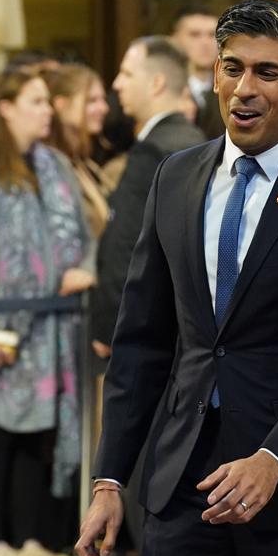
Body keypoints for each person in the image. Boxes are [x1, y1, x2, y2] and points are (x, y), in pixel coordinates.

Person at [74, 0, 278, 556]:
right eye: (232, 67)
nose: (244, 88)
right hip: (178, 481)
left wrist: (274, 460)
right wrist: (109, 480)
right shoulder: (175, 176)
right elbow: (141, 343)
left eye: (267, 72)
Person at [0, 67, 95, 556]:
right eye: (35, 101)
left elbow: (85, 232)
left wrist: (86, 269)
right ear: (4, 107)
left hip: (50, 331)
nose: (47, 110)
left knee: (40, 438)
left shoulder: (53, 165)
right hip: (0, 332)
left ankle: (30, 538)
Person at [90, 36, 205, 360]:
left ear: (156, 83)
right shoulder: (195, 141)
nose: (117, 84)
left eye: (127, 74)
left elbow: (130, 243)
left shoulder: (153, 150)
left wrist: (109, 324)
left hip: (144, 331)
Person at [45, 63, 114, 238]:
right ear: (61, 104)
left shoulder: (87, 166)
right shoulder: (49, 168)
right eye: (92, 101)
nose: (103, 108)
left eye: (102, 99)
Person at [171, 5, 223, 139]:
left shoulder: (232, 88)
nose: (205, 43)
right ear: (175, 39)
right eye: (195, 35)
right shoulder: (165, 90)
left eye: (212, 35)